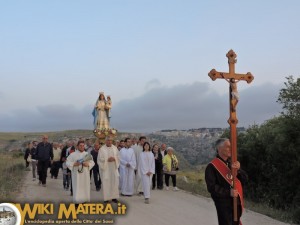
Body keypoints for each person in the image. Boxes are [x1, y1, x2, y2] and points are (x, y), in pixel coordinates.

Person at [205, 138, 247, 225]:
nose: (231, 149)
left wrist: (238, 170)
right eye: (228, 147)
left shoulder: (232, 164)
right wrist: (229, 193)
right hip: (224, 204)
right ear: (219, 148)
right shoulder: (212, 167)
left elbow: (244, 180)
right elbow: (212, 188)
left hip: (236, 203)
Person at [97, 136, 120, 203]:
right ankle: (106, 198)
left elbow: (118, 157)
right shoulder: (102, 149)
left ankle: (114, 197)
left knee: (114, 182)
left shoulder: (115, 148)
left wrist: (115, 159)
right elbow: (99, 159)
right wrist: (107, 160)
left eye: (110, 140)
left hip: (113, 168)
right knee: (106, 183)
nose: (109, 141)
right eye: (108, 140)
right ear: (105, 141)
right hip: (106, 169)